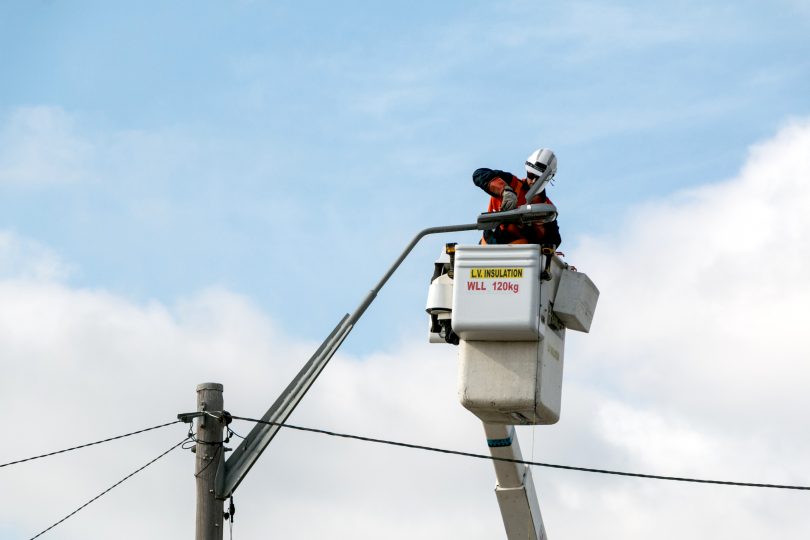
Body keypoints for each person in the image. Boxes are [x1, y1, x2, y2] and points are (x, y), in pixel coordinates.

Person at [472, 148, 562, 248]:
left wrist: (532, 227)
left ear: (547, 178)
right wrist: (504, 190)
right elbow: (479, 174)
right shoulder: (512, 184)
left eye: (538, 178)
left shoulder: (546, 209)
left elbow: (554, 240)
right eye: (530, 175)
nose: (532, 181)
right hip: (489, 245)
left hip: (517, 255)